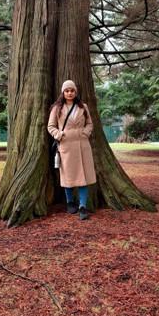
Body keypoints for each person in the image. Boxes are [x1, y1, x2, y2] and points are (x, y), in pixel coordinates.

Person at [48, 80, 96, 220]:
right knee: (68, 176)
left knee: (83, 177)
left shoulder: (83, 107)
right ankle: (69, 203)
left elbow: (90, 124)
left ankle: (82, 206)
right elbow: (51, 126)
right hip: (66, 145)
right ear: (63, 92)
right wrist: (60, 135)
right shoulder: (57, 108)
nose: (70, 93)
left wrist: (85, 133)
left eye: (72, 90)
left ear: (76, 92)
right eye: (67, 90)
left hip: (82, 145)